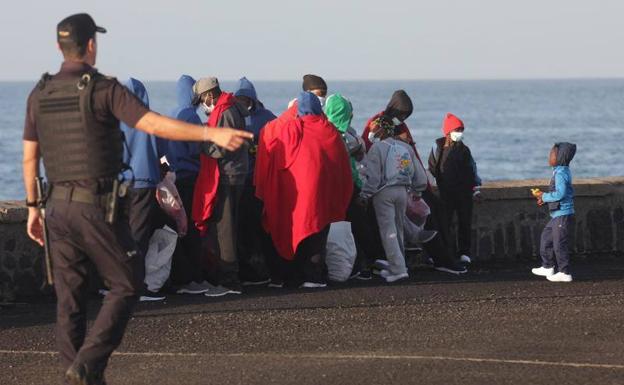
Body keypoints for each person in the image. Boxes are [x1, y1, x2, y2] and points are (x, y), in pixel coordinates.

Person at [22, 13, 252, 385]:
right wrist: (209, 134)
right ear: (92, 46)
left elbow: (30, 155)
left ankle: (77, 373)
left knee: (70, 299)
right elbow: (152, 124)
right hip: (92, 204)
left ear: (58, 47)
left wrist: (33, 207)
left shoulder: (40, 92)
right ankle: (87, 364)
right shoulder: (103, 88)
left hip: (55, 206)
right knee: (127, 283)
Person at [362, 91, 467, 275]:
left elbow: (412, 155)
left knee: (435, 211)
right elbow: (369, 153)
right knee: (396, 226)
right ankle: (408, 262)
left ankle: (441, 258)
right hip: (386, 186)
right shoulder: (376, 123)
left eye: (405, 116)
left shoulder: (401, 126)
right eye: (400, 114)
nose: (401, 119)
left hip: (407, 184)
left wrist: (423, 184)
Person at [255, 91, 353, 288]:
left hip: (293, 193)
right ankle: (313, 276)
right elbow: (341, 164)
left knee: (291, 231)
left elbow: (272, 155)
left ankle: (289, 276)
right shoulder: (329, 131)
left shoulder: (286, 129)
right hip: (322, 194)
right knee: (317, 232)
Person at [192, 77, 250, 296]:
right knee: (230, 226)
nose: (202, 104)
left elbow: (221, 147)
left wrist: (201, 142)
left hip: (227, 174)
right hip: (236, 172)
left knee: (224, 229)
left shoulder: (225, 112)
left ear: (209, 95)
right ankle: (232, 275)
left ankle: (229, 281)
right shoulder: (233, 107)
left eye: (202, 99)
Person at [358, 116, 428, 283]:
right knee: (398, 228)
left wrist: (365, 195)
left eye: (374, 129)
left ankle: (398, 269)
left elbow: (374, 178)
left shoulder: (377, 148)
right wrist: (418, 190)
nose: (371, 132)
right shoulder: (405, 147)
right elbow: (420, 175)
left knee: (388, 231)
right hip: (403, 191)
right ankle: (401, 265)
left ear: (381, 130)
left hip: (384, 193)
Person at [118, 78, 167, 301]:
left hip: (121, 182)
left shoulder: (116, 120)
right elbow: (166, 152)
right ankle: (135, 286)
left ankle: (116, 284)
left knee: (120, 233)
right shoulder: (151, 120)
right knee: (139, 235)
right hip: (145, 182)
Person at [166, 75, 215, 295]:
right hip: (191, 177)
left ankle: (179, 277)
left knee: (178, 228)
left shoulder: (173, 114)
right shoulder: (191, 117)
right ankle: (193, 278)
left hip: (175, 177)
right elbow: (197, 150)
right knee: (194, 229)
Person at [324, 93, 376, 279]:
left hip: (337, 188)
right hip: (350, 186)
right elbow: (358, 157)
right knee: (357, 227)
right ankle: (361, 265)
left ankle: (350, 266)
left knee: (347, 228)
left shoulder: (325, 132)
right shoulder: (348, 136)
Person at [234, 77, 277, 285]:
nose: (243, 101)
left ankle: (264, 269)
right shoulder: (233, 116)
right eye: (239, 98)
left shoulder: (267, 117)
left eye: (246, 98)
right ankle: (249, 270)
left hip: (261, 180)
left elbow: (280, 140)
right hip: (241, 180)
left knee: (262, 227)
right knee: (243, 227)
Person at [428, 113, 482, 264]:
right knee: (445, 223)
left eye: (461, 130)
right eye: (456, 130)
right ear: (448, 131)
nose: (459, 133)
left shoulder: (464, 150)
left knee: (465, 222)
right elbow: (432, 167)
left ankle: (464, 252)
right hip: (445, 192)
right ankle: (446, 251)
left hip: (464, 192)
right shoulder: (437, 147)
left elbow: (472, 170)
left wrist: (476, 189)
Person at [531, 142, 577, 283]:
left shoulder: (561, 173)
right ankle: (548, 266)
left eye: (552, 154)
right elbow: (557, 194)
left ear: (560, 157)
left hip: (562, 214)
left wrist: (544, 196)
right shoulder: (559, 171)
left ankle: (564, 272)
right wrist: (545, 199)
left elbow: (561, 194)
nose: (549, 156)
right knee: (546, 238)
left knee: (559, 243)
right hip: (557, 214)